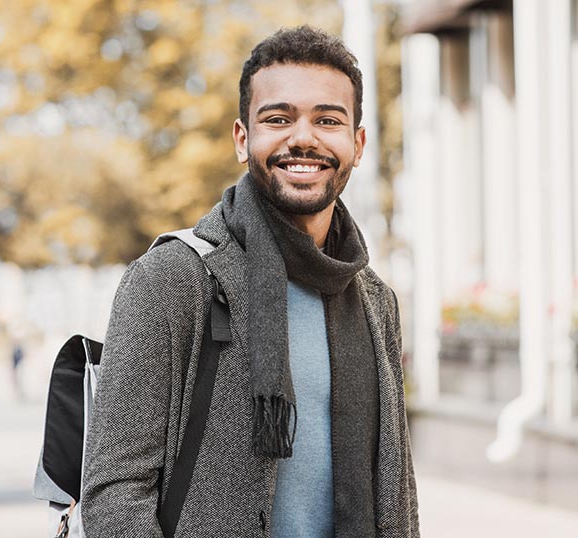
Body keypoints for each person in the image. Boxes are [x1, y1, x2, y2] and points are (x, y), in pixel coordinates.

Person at [81, 25, 419, 537]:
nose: (302, 138)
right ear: (243, 138)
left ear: (357, 142)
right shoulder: (172, 280)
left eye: (327, 120)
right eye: (278, 118)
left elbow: (398, 488)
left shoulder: (375, 301)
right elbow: (114, 492)